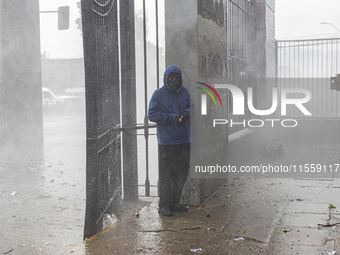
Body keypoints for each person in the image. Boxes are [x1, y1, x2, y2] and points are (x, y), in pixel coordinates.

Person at [148, 65, 193, 217]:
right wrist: (171, 117)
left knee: (181, 173)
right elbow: (152, 114)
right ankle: (164, 204)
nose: (173, 81)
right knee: (167, 175)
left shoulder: (184, 93)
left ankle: (174, 202)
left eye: (176, 78)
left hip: (183, 140)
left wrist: (187, 113)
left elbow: (191, 106)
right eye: (170, 78)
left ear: (180, 79)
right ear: (166, 79)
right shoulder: (158, 94)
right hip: (167, 142)